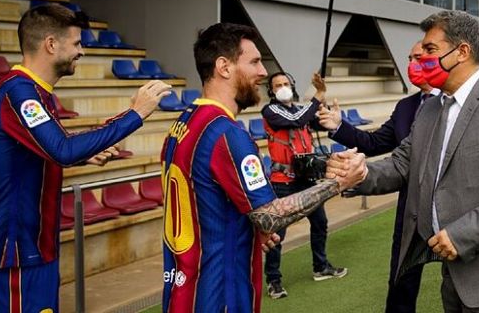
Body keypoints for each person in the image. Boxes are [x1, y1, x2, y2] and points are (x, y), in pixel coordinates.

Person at [328, 10, 479, 312]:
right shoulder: (429, 109)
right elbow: (402, 164)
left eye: (431, 50)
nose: (422, 60)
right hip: (454, 275)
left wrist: (462, 234)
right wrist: (361, 173)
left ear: (462, 52)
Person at [160, 22, 365, 313]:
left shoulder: (182, 123)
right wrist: (338, 183)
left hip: (182, 290)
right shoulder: (227, 134)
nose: (263, 72)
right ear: (224, 67)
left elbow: (206, 202)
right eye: (255, 61)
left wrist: (252, 233)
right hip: (219, 295)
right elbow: (269, 217)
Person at [0, 4, 172, 312]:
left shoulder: (36, 93)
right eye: (76, 43)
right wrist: (135, 113)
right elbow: (62, 149)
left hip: (35, 245)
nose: (82, 51)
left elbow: (48, 149)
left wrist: (87, 156)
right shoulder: (18, 93)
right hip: (14, 250)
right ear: (50, 44)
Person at [317, 41, 439, 312]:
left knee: (460, 284)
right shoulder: (406, 107)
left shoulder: (454, 102)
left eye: (419, 57)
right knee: (401, 285)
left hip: (452, 209)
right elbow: (373, 143)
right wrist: (339, 126)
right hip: (411, 210)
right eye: (409, 58)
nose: (412, 64)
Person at [261, 71, 347, 299]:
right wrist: (318, 93)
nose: (282, 87)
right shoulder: (270, 111)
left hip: (306, 179)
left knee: (320, 223)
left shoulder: (300, 109)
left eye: (286, 83)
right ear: (271, 91)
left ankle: (321, 267)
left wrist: (326, 110)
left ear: (292, 85)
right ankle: (274, 280)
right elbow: (297, 120)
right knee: (277, 234)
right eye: (277, 85)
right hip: (282, 182)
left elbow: (316, 123)